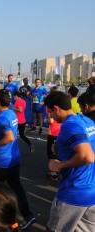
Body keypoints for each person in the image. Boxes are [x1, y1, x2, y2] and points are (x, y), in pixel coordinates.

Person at [0, 89, 36, 230]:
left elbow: (9, 137)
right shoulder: (10, 113)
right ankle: (27, 215)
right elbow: (0, 118)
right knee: (16, 189)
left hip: (1, 162)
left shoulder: (3, 117)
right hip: (13, 159)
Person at [44, 91, 95, 232]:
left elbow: (88, 156)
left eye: (50, 112)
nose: (51, 116)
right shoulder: (87, 121)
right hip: (92, 190)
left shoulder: (69, 125)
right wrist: (62, 151)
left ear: (56, 108)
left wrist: (59, 165)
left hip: (75, 190)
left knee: (52, 229)